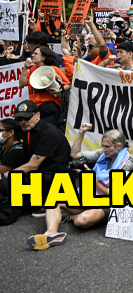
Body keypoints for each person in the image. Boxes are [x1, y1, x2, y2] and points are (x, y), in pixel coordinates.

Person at [2, 100, 71, 249]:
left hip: (54, 180)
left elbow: (33, 165)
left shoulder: (48, 133)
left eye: (27, 117)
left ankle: (49, 228)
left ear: (38, 116)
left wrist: (4, 175)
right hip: (39, 178)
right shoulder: (28, 132)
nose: (23, 121)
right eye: (19, 118)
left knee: (6, 185)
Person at [60, 124, 133, 228]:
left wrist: (92, 178)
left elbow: (112, 194)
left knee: (82, 220)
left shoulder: (127, 164)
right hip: (91, 196)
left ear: (119, 146)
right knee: (53, 201)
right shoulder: (103, 153)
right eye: (103, 146)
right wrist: (81, 132)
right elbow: (75, 154)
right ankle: (52, 231)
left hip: (109, 202)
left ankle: (72, 216)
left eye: (107, 146)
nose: (103, 149)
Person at [18, 47, 70, 126]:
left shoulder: (54, 69)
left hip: (49, 108)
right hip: (34, 108)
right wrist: (25, 68)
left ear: (44, 57)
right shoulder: (32, 70)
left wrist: (59, 90)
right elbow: (22, 83)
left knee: (45, 130)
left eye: (36, 54)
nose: (32, 55)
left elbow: (68, 84)